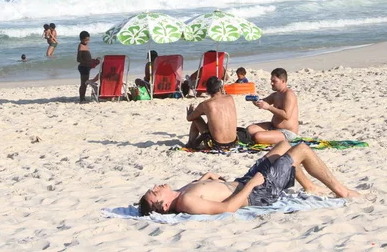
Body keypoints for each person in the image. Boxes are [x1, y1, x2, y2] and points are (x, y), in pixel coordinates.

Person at [138, 140, 360, 215]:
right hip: (256, 192)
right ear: (165, 205)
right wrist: (252, 184)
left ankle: (309, 185)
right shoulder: (185, 201)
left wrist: (208, 178)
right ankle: (343, 191)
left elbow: (203, 188)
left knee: (283, 145)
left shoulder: (180, 192)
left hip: (245, 181)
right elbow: (227, 208)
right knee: (300, 149)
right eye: (155, 192)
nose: (157, 186)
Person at [246, 68, 298, 144]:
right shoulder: (276, 94)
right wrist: (254, 99)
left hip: (287, 132)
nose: (271, 83)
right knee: (249, 130)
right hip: (273, 126)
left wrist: (269, 107)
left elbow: (287, 115)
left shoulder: (289, 94)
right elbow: (262, 103)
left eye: (274, 81)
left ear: (283, 81)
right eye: (271, 81)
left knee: (258, 136)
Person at [185, 76, 238, 150]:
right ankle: (193, 142)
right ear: (220, 88)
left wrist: (190, 113)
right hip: (234, 143)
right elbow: (217, 111)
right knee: (211, 120)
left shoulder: (206, 104)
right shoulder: (230, 98)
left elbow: (189, 118)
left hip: (216, 145)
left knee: (196, 118)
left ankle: (190, 143)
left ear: (207, 91)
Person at [77, 31, 100, 103]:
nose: (87, 41)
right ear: (81, 39)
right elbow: (78, 59)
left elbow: (86, 58)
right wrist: (89, 62)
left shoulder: (85, 46)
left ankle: (82, 97)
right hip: (83, 67)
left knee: (85, 83)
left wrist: (93, 61)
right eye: (86, 40)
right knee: (84, 84)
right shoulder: (81, 46)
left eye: (88, 40)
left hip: (87, 66)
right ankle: (81, 98)